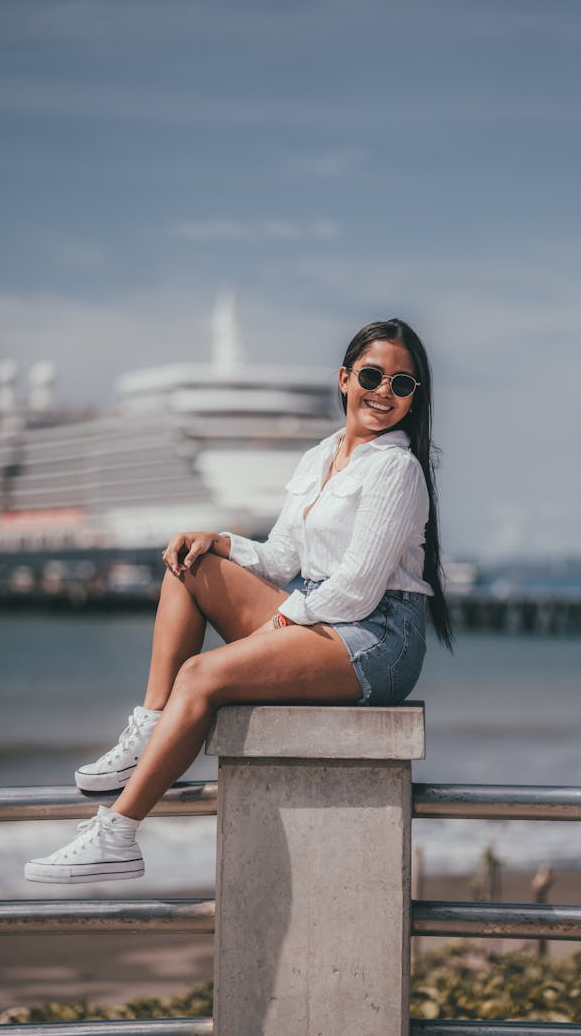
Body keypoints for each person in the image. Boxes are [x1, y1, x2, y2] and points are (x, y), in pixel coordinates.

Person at [25, 318, 454, 884]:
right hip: (325, 616)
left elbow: (356, 591)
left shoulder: (397, 469)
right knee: (189, 565)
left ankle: (118, 835)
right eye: (373, 375)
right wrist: (219, 540)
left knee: (202, 675)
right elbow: (281, 559)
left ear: (412, 398)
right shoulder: (320, 457)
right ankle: (151, 726)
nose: (384, 392)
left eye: (402, 385)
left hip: (379, 639)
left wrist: (285, 618)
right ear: (346, 378)